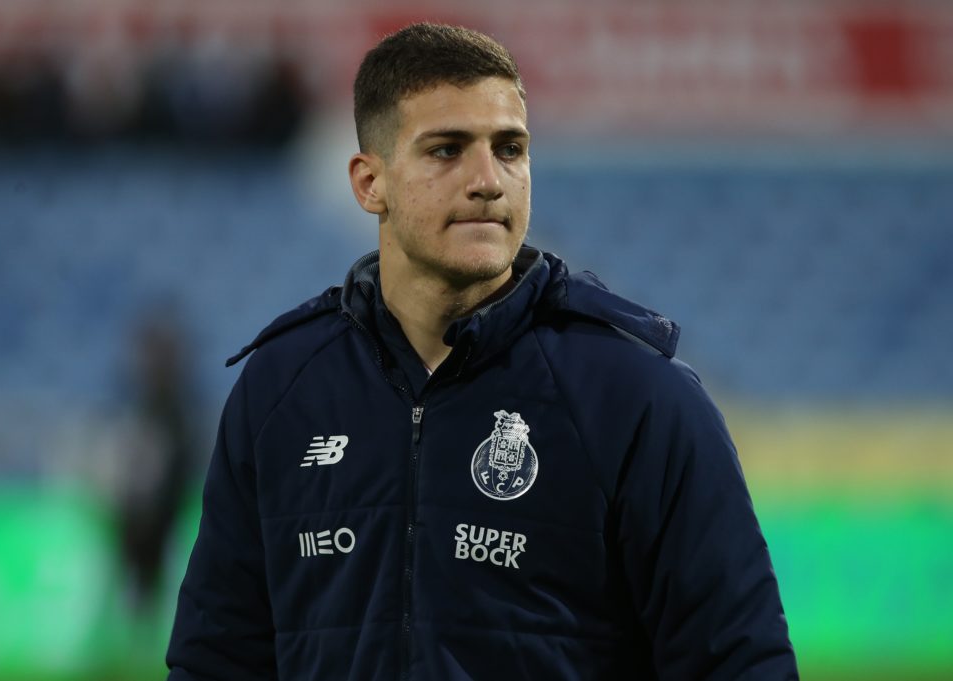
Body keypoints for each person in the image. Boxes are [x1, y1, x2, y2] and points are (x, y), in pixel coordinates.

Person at [167, 22, 798, 680]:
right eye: (447, 150)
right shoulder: (281, 389)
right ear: (368, 183)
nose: (489, 180)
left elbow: (740, 662)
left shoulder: (637, 397)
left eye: (510, 149)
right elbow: (215, 661)